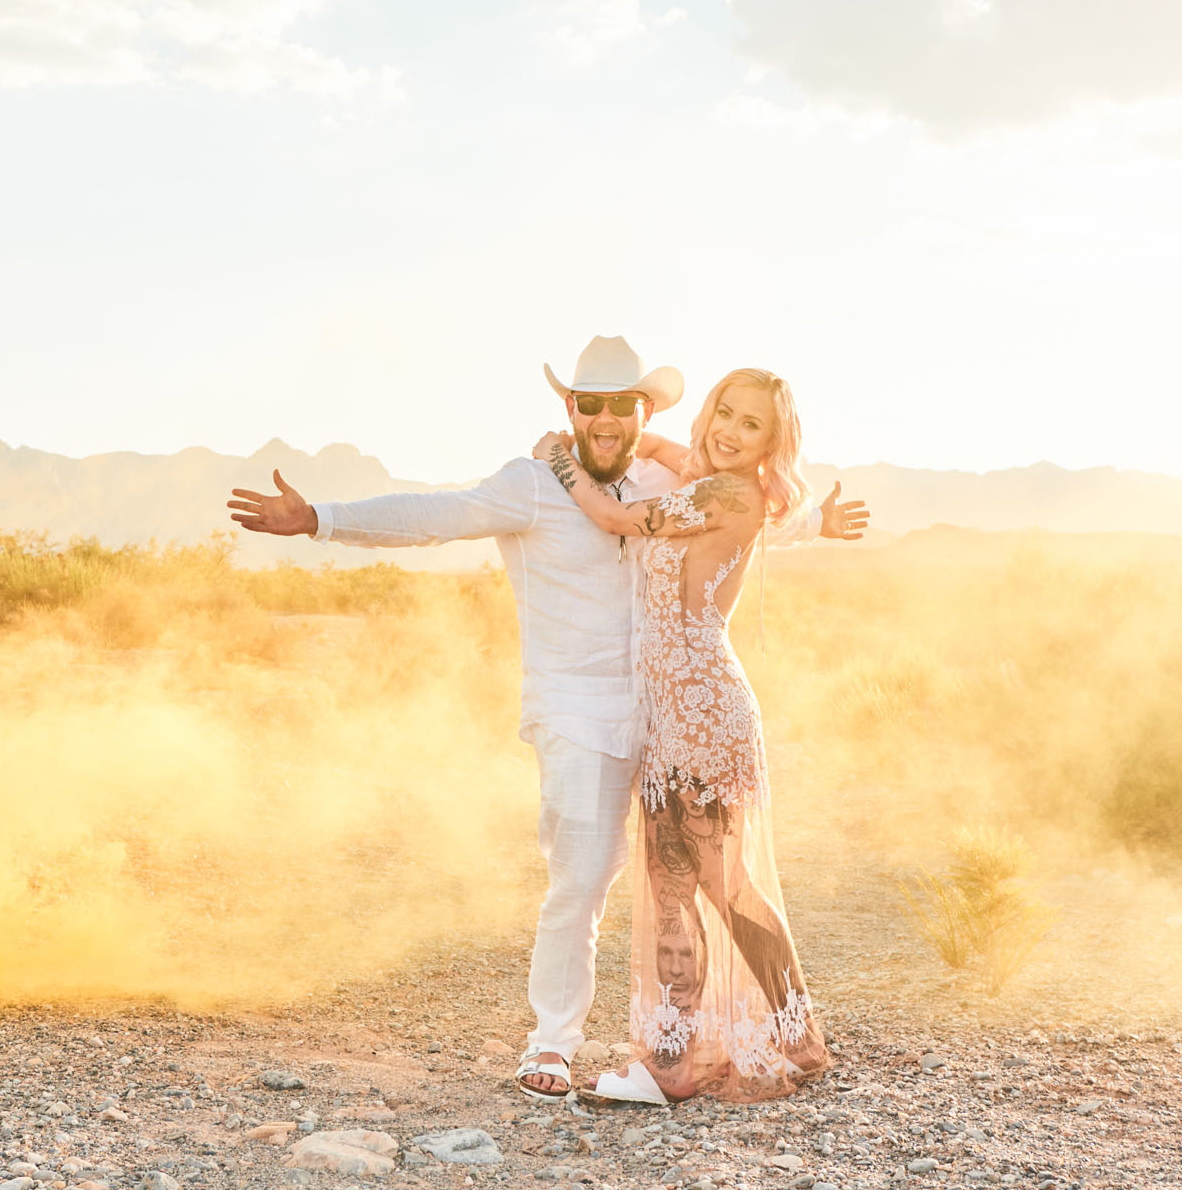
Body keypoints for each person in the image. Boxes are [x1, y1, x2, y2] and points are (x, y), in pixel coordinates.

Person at [227, 337, 867, 1102]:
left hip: (672, 716)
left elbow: (735, 505)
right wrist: (320, 519)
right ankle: (556, 1044)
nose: (604, 417)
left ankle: (740, 1044)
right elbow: (433, 515)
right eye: (588, 404)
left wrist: (812, 522)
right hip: (580, 716)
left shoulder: (659, 477)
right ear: (570, 408)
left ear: (643, 411)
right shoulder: (529, 485)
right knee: (588, 877)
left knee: (712, 886)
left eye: (620, 404)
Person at [531, 368, 835, 1104]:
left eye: (751, 425)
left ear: (774, 441)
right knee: (712, 887)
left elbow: (615, 518)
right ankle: (791, 1035)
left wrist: (563, 458)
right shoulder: (710, 475)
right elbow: (672, 451)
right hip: (683, 712)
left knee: (688, 889)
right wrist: (632, 428)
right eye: (723, 413)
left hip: (701, 713)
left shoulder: (726, 494)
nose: (731, 431)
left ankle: (669, 1064)